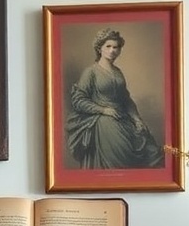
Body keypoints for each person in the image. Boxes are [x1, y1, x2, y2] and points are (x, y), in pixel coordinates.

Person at [66, 28, 164, 169]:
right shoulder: (90, 72)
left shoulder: (118, 72)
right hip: (102, 120)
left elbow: (126, 99)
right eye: (108, 46)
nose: (112, 50)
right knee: (121, 157)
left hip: (123, 117)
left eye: (116, 47)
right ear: (100, 48)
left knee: (152, 150)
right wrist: (104, 110)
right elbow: (78, 100)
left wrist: (137, 119)